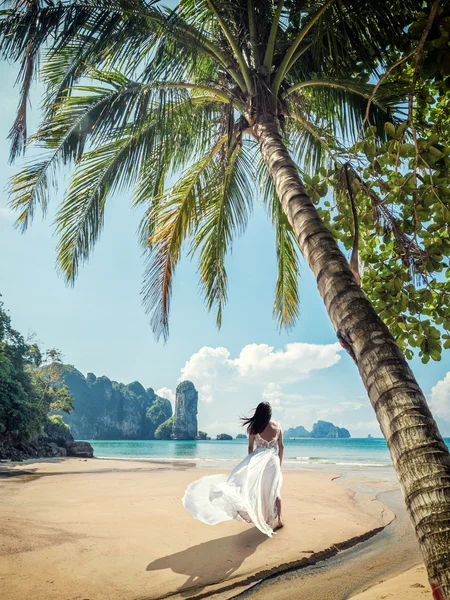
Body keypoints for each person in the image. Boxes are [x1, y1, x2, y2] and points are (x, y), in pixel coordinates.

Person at [182, 401, 284, 537]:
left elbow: (250, 448)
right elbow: (281, 447)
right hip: (273, 462)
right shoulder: (277, 427)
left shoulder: (254, 428)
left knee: (259, 490)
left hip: (258, 462)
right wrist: (279, 463)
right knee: (274, 490)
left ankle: (263, 517)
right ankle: (279, 519)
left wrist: (250, 465)